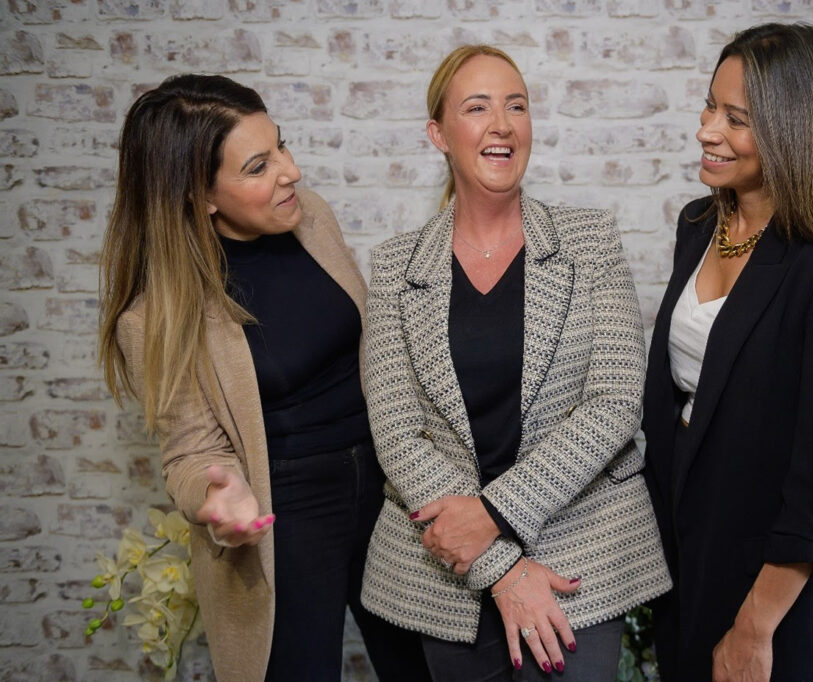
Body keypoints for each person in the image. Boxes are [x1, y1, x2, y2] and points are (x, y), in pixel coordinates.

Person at [98, 74, 429, 682]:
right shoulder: (155, 317)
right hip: (286, 519)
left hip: (388, 493)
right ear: (200, 196)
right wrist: (217, 496)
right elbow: (190, 453)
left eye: (282, 145)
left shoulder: (311, 221)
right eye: (258, 165)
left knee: (427, 667)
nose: (290, 171)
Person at [358, 45, 672, 681]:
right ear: (439, 134)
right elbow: (396, 431)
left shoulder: (590, 241)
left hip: (577, 559)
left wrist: (493, 515)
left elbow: (615, 403)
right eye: (477, 108)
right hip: (449, 576)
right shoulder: (395, 266)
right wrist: (496, 563)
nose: (502, 124)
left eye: (516, 106)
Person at [642, 23, 813, 681]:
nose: (707, 129)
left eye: (736, 119)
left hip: (767, 583)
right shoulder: (701, 225)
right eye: (711, 105)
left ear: (800, 130)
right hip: (684, 549)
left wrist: (754, 626)